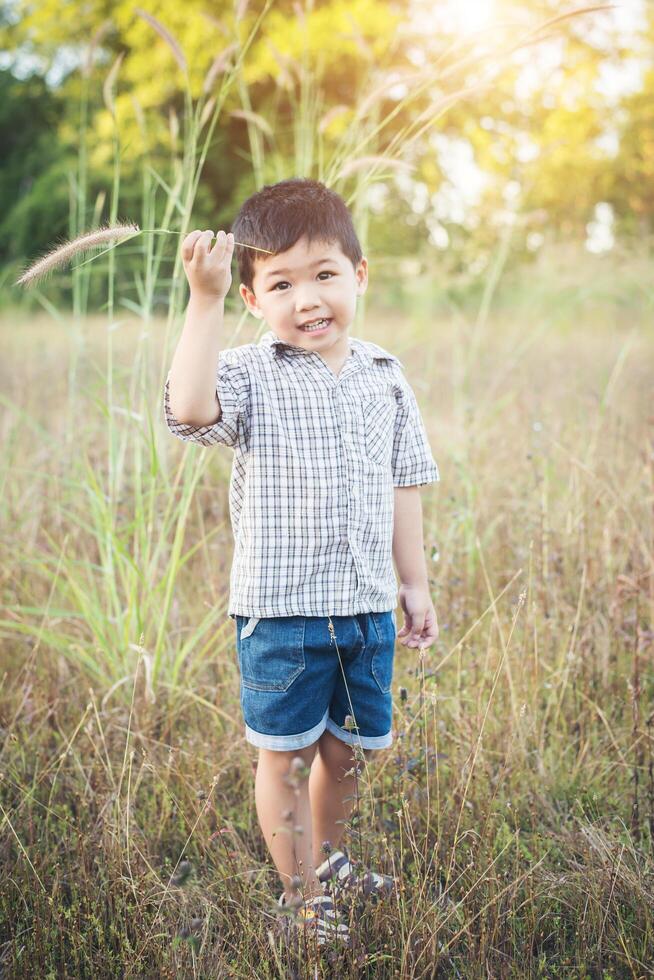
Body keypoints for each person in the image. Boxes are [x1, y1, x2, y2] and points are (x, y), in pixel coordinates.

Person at [163, 177, 440, 947]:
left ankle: (331, 861)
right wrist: (203, 300)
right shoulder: (252, 373)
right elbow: (189, 410)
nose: (308, 298)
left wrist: (412, 584)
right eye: (281, 283)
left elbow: (403, 482)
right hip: (281, 614)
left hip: (365, 607)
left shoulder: (385, 375)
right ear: (254, 299)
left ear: (360, 275)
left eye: (324, 274)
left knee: (347, 753)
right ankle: (299, 896)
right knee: (282, 759)